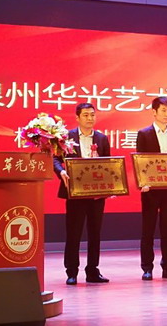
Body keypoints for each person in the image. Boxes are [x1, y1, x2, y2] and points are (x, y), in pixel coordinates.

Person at [53, 103, 110, 285]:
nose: (90, 118)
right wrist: (61, 171)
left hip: (96, 194)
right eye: (85, 115)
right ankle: (71, 271)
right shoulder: (66, 137)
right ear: (77, 117)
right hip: (75, 192)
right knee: (74, 232)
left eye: (92, 114)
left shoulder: (102, 138)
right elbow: (55, 159)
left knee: (95, 233)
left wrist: (110, 188)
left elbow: (108, 164)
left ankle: (92, 271)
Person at [137, 97, 167, 280]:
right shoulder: (144, 134)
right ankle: (147, 267)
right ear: (154, 112)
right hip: (150, 189)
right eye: (164, 110)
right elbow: (140, 160)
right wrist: (143, 182)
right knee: (148, 229)